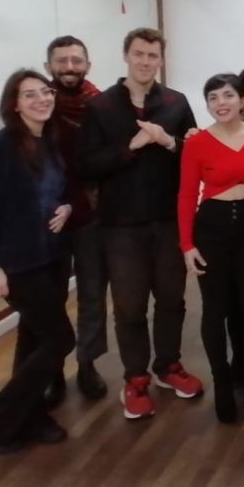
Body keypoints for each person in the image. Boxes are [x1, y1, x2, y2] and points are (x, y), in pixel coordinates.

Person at [80, 28, 202, 420]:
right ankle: (135, 378)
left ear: (161, 60)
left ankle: (168, 365)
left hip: (168, 220)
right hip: (120, 224)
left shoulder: (176, 102)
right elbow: (88, 166)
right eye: (138, 54)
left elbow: (195, 155)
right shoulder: (100, 106)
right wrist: (129, 148)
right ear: (125, 56)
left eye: (152, 55)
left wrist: (168, 141)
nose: (145, 61)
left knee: (172, 300)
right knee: (129, 306)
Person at [0, 69, 75, 454]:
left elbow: (56, 191)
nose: (42, 99)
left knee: (33, 338)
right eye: (30, 95)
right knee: (60, 339)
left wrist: (67, 207)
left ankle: (29, 417)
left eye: (46, 91)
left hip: (53, 257)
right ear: (14, 104)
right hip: (18, 262)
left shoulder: (50, 141)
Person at [177, 73, 244, 423]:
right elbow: (187, 195)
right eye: (213, 97)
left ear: (242, 100)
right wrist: (187, 245)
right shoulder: (196, 143)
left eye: (228, 95)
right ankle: (222, 383)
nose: (221, 103)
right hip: (212, 231)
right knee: (215, 310)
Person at [43, 35, 108, 402]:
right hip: (48, 216)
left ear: (87, 65)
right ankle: (50, 368)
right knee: (48, 297)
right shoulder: (40, 105)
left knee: (92, 292)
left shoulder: (101, 106)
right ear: (48, 66)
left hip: (90, 213)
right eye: (62, 61)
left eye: (76, 60)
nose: (69, 67)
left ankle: (87, 363)